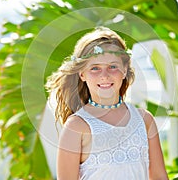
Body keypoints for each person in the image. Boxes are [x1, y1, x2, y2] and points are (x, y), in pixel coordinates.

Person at [45, 26, 168, 180]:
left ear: (124, 69)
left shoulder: (145, 120)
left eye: (112, 67)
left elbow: (159, 177)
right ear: (82, 74)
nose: (104, 75)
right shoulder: (77, 126)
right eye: (95, 68)